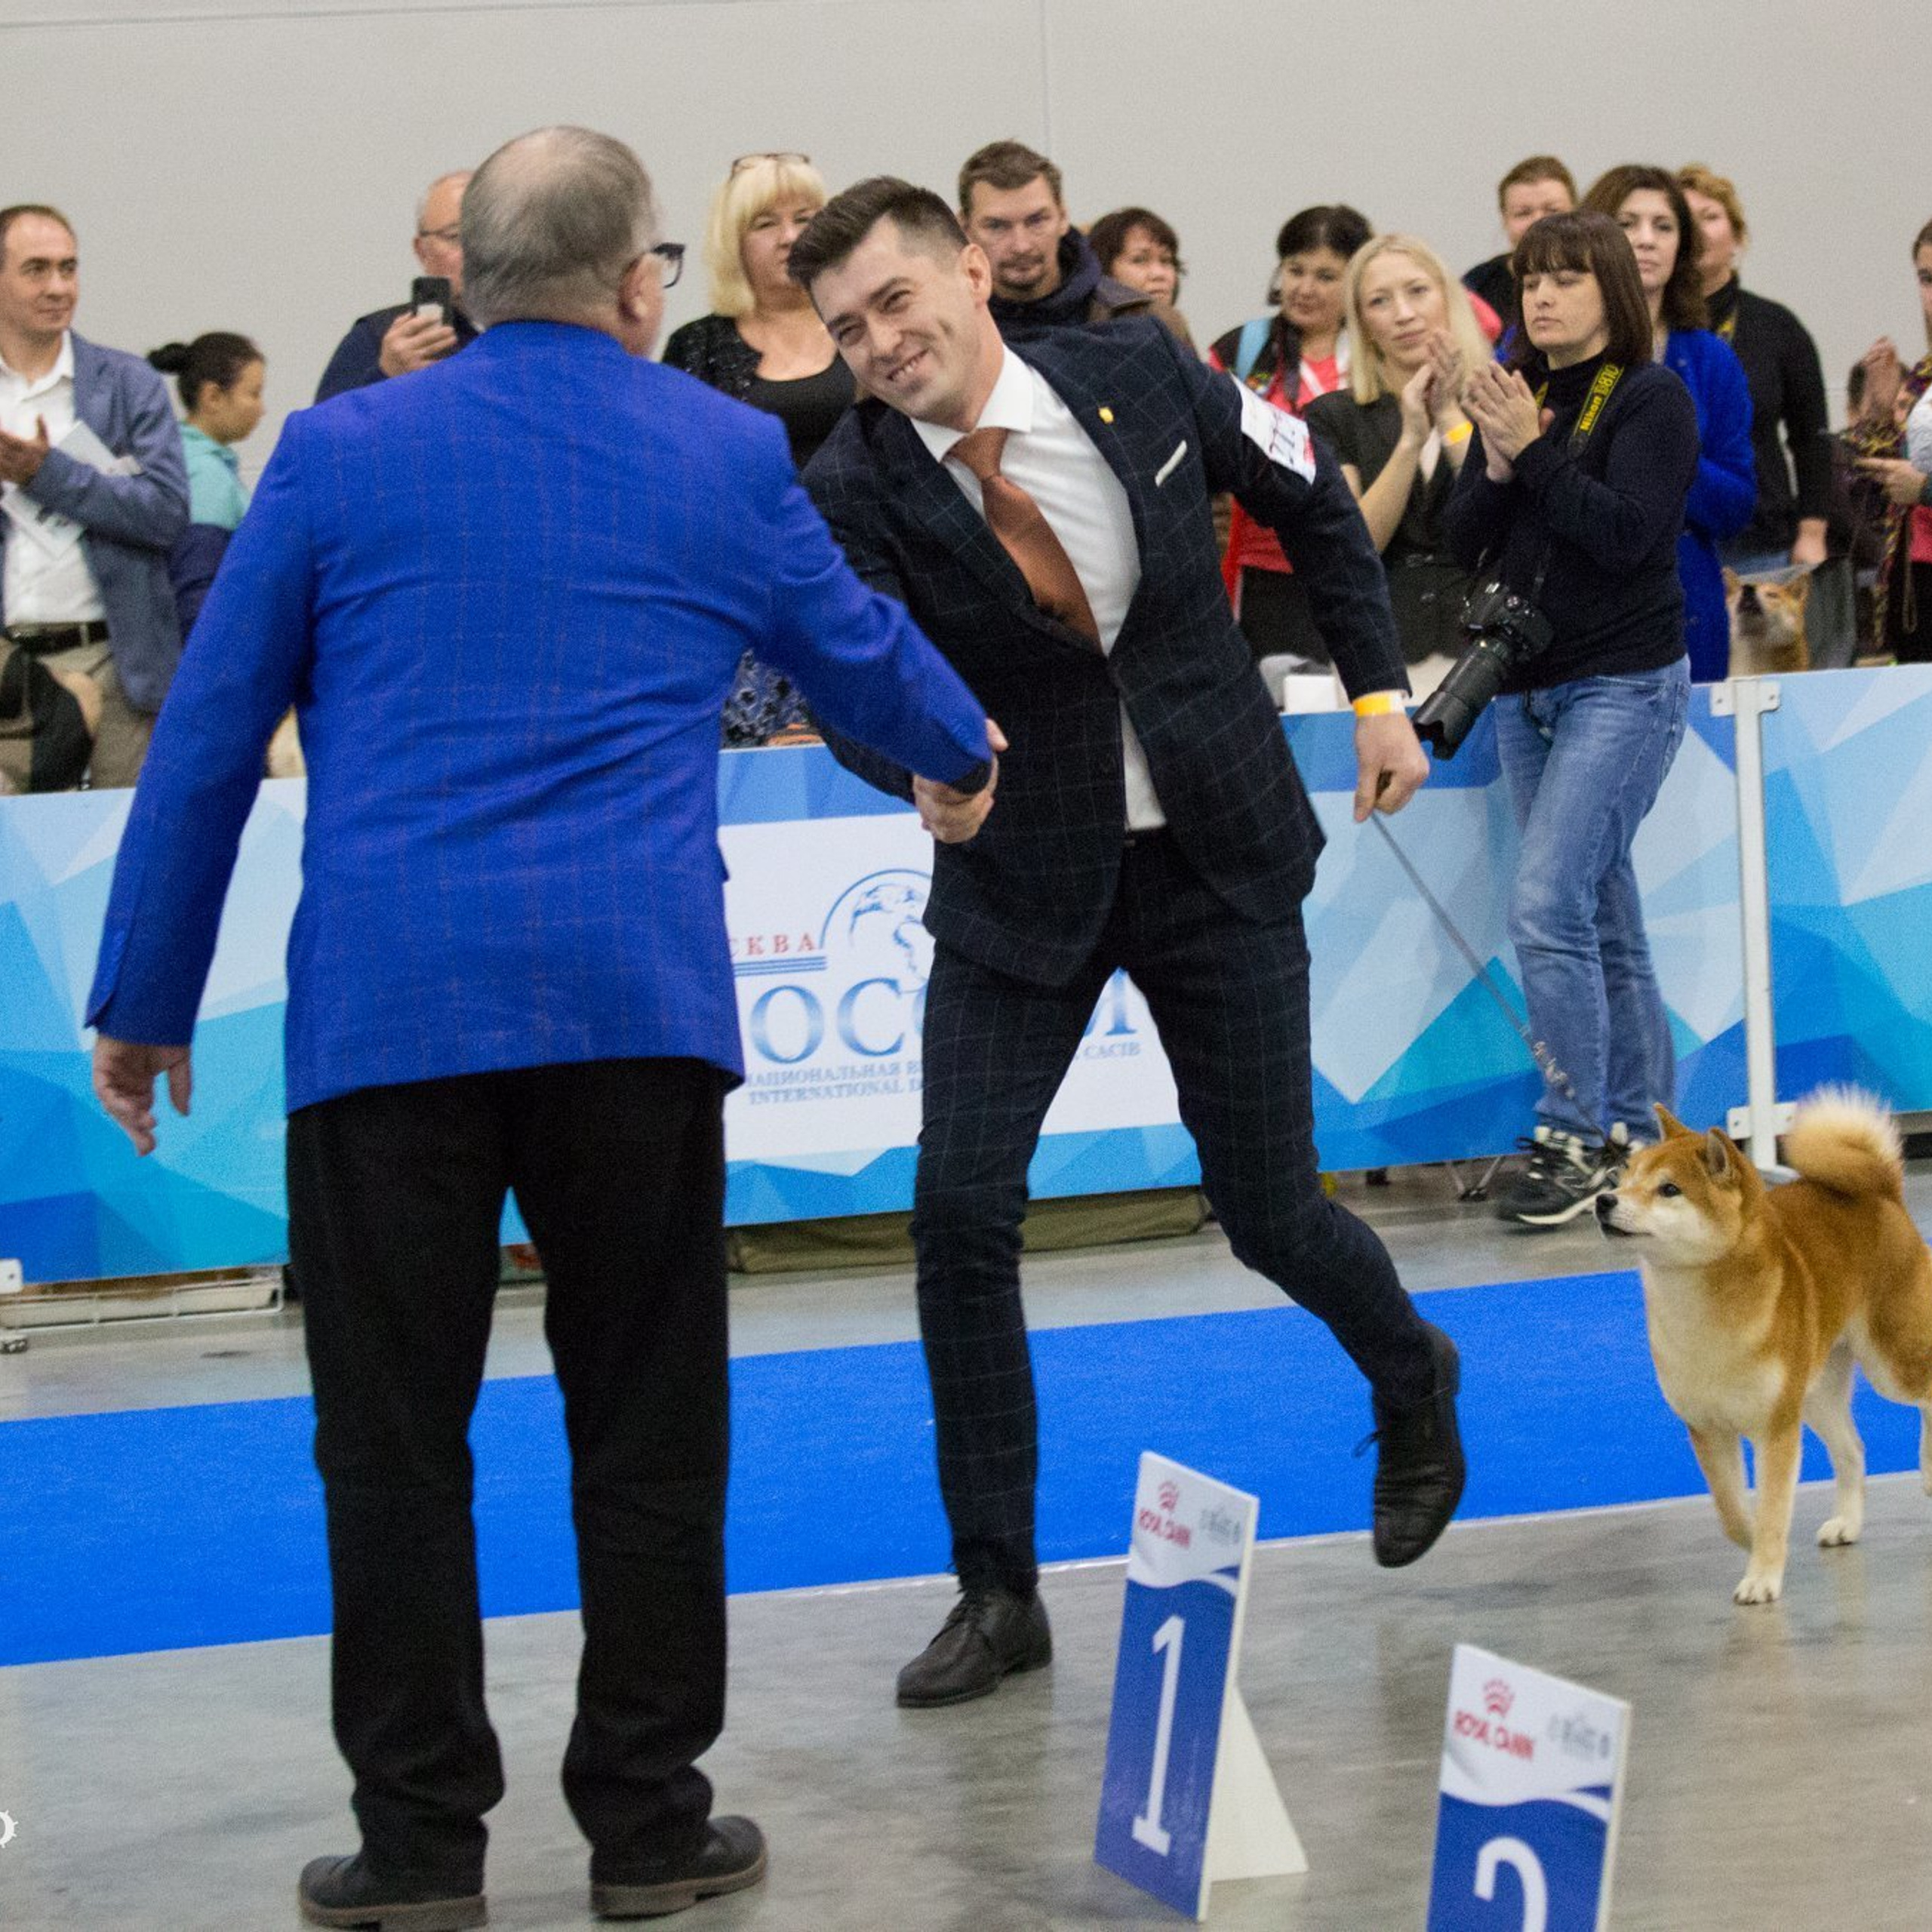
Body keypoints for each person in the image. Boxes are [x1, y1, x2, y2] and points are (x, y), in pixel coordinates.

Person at [86, 128, 993, 1930]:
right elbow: (859, 648)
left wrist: (143, 997)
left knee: (392, 1438)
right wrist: (962, 752)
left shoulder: (336, 453)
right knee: (649, 1422)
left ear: (461, 284)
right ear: (639, 282)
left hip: (389, 1019)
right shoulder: (722, 444)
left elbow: (203, 736)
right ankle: (648, 1822)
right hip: (627, 1015)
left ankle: (420, 1845)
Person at [789, 176, 1465, 1709]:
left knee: (1269, 1208)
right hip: (1018, 879)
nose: (880, 342)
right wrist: (910, 761)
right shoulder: (848, 487)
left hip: (1214, 844)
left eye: (897, 302)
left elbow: (1303, 498)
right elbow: (843, 675)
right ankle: (997, 1587)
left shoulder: (1140, 365)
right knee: (956, 1211)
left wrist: (1374, 693)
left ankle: (1412, 1370)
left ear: (970, 271)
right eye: (846, 329)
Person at [1443, 211, 1700, 1226]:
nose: (1541, 298)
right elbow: (1465, 538)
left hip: (1624, 684)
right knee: (1602, 912)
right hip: (1524, 686)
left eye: (1565, 280)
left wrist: (1534, 455)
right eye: (1529, 281)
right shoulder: (1517, 394)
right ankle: (1643, 1132)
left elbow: (1631, 539)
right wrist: (1502, 462)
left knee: (1549, 900)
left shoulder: (1650, 397)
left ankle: (1575, 1133)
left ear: (1611, 292)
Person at [663, 152, 854, 746]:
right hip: (745, 601)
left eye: (805, 216)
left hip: (863, 580)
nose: (790, 237)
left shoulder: (865, 327)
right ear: (733, 239)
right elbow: (677, 489)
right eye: (765, 223)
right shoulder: (697, 345)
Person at [0, 203, 189, 791]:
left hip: (116, 664)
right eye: (37, 270)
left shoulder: (128, 385)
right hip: (8, 670)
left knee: (114, 854)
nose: (59, 287)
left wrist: (48, 475)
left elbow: (165, 514)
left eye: (69, 269)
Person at [1582, 165, 1755, 683]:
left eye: (1663, 226)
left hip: (1686, 605)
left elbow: (1738, 502)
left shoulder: (1710, 359)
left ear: (1683, 245)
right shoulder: (1551, 347)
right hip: (1580, 608)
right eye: (1628, 223)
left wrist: (1665, 457)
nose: (1645, 240)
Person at [1306, 235, 1490, 691]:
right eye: (1380, 301)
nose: (1404, 314)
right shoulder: (1334, 416)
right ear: (1363, 322)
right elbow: (1355, 542)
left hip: (1483, 646)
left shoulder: (1499, 396)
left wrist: (1448, 415)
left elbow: (1498, 522)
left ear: (1448, 299)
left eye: (1418, 291)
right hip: (1381, 652)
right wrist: (1410, 441)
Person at [1206, 203, 1371, 663]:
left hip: (1352, 562)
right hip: (1260, 569)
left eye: (1325, 275)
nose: (1303, 288)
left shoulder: (1375, 353)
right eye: (1295, 270)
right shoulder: (1241, 348)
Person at [956, 140, 1182, 341]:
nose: (1021, 246)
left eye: (1036, 221)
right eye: (997, 226)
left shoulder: (1144, 323)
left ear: (1063, 217)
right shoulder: (946, 331)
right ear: (965, 229)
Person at [315, 171, 478, 403]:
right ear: (422, 251)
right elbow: (324, 435)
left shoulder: (535, 327)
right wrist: (386, 376)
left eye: (486, 235)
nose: (476, 251)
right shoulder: (377, 337)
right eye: (456, 236)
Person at [146, 332, 265, 638]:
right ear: (212, 397)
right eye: (253, 394)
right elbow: (197, 590)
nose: (261, 409)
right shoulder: (204, 474)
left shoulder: (178, 457)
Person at [1851, 218, 1932, 660]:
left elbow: (1918, 481)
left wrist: (1925, 489)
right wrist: (1879, 418)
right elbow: (1869, 496)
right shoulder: (1923, 375)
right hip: (1913, 586)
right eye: (1926, 278)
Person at [1464, 157, 1576, 331]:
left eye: (1553, 210)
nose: (1538, 222)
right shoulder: (1477, 285)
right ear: (1504, 220)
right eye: (1523, 213)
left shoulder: (1596, 280)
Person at [1086, 205, 1195, 349]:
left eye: (1166, 260)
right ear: (1104, 269)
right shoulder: (1089, 338)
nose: (1159, 274)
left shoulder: (1173, 324)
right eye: (1140, 260)